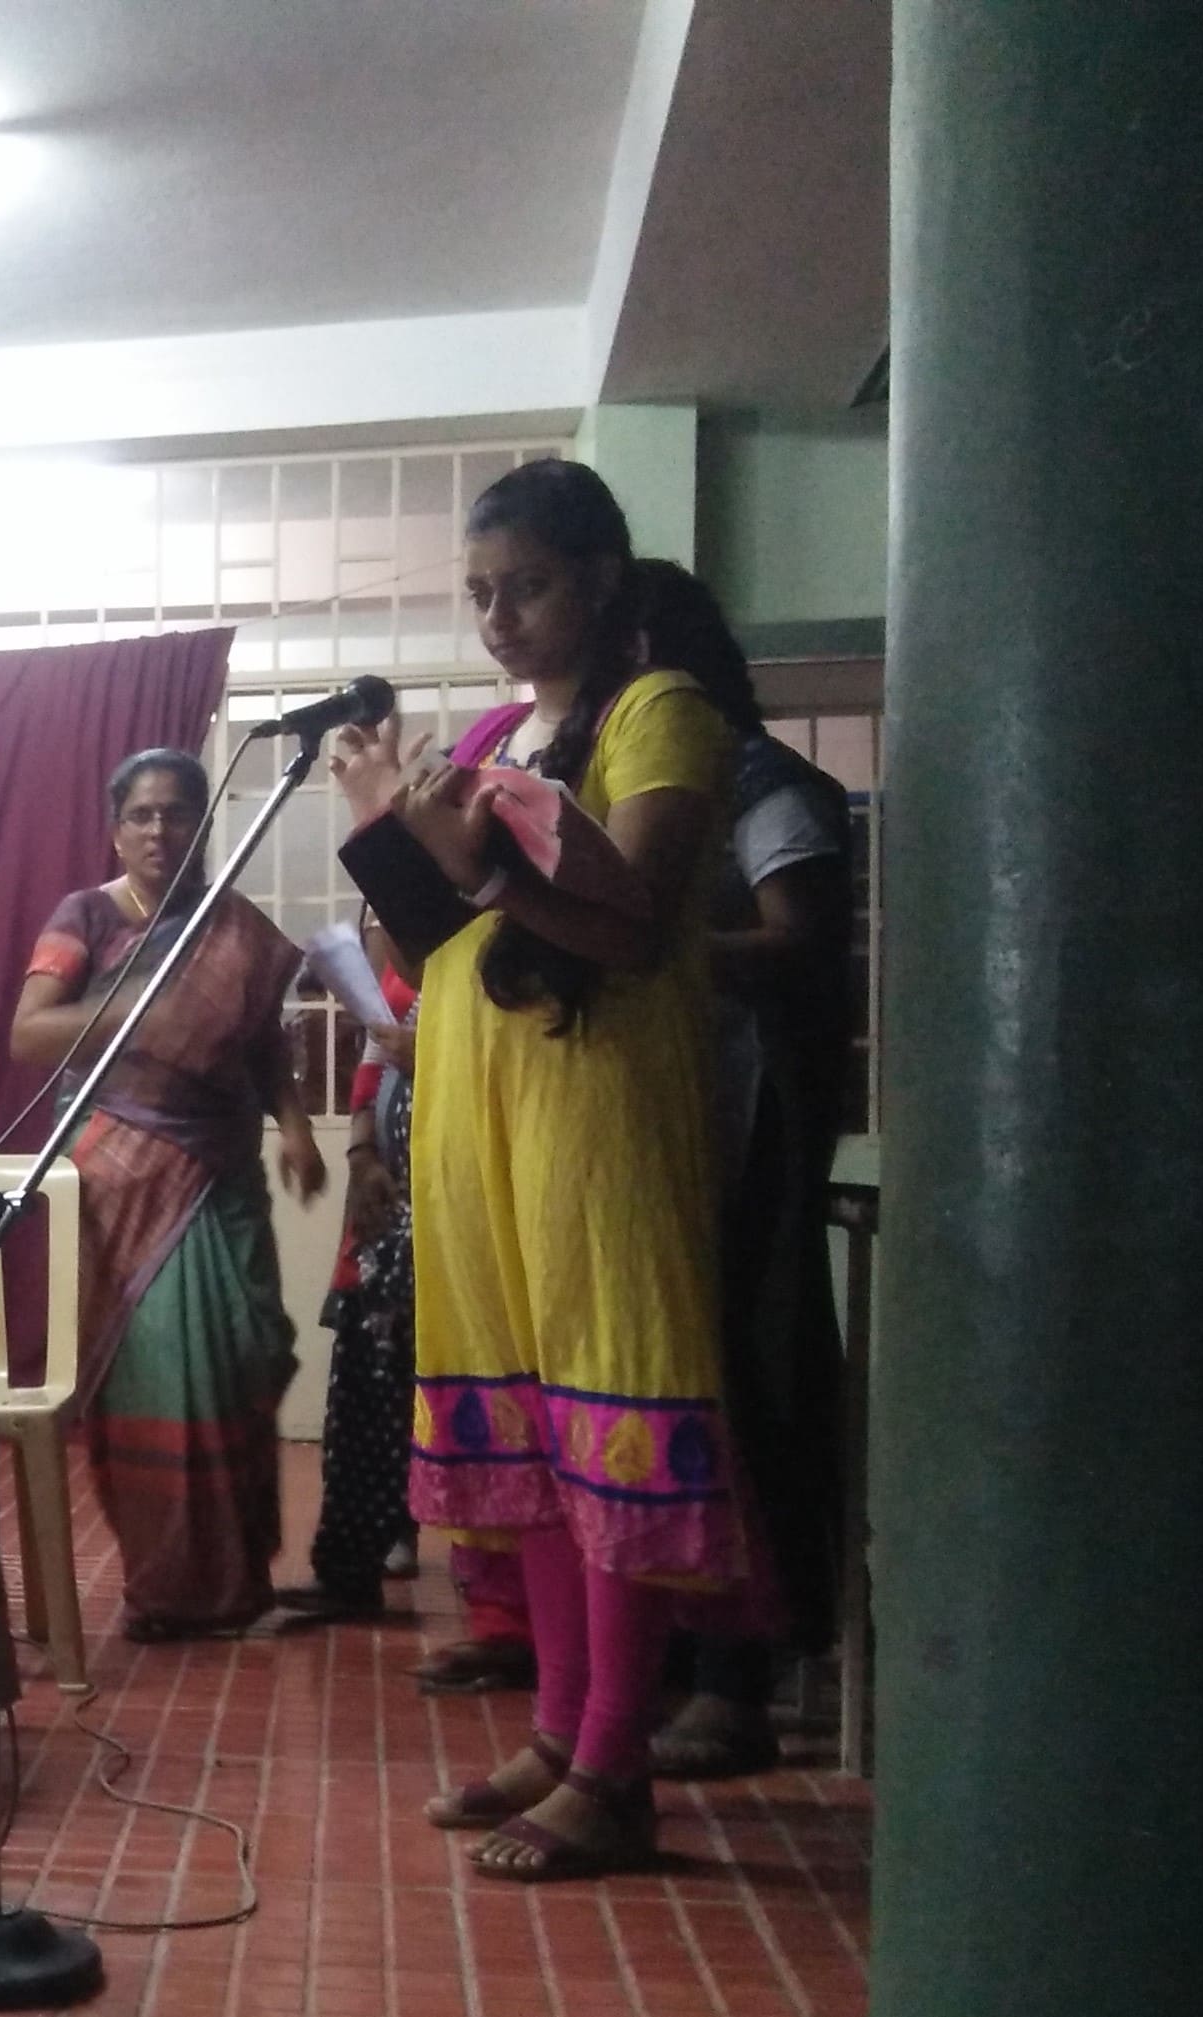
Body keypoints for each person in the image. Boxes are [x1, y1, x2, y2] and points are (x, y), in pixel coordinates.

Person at [331, 459, 741, 1880]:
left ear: (600, 580)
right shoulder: (497, 731)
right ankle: (560, 1731)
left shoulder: (658, 712)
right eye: (480, 592)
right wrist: (385, 835)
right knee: (528, 1436)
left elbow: (635, 920)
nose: (499, 617)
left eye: (528, 586)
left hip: (597, 1109)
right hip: (477, 1103)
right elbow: (435, 944)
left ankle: (617, 1762)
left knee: (602, 1416)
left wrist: (477, 856)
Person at [11, 749, 327, 1643]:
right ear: (115, 829)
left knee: (242, 1357)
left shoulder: (234, 925)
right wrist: (134, 1011)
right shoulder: (86, 916)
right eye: (142, 815)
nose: (160, 829)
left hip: (221, 1172)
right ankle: (166, 1587)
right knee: (154, 1377)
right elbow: (30, 1032)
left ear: (204, 823)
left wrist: (295, 1125)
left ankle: (235, 1581)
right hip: (122, 1181)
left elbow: (261, 1041)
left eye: (178, 812)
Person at [633, 559, 855, 1779]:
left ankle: (742, 1676)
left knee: (745, 1386)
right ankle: (668, 1651)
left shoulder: (759, 779)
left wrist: (646, 942)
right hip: (660, 1131)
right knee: (664, 1386)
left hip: (747, 1125)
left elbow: (795, 937)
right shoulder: (625, 779)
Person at [274, 952, 422, 1626]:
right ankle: (348, 1567)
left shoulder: (488, 961)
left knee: (448, 1394)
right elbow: (372, 1064)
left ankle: (499, 1599)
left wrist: (433, 1057)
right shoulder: (400, 974)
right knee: (363, 1385)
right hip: (388, 1209)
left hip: (458, 1205)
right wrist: (361, 1153)